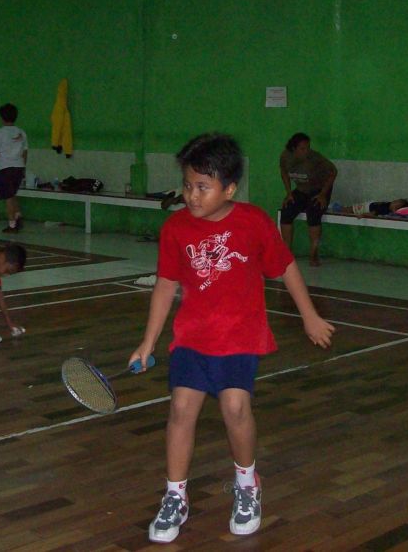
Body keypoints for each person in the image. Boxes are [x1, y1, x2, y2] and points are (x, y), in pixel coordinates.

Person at [128, 133, 334, 544]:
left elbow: (286, 268)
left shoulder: (253, 221)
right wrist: (148, 342)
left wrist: (309, 316)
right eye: (187, 185)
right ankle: (175, 496)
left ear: (229, 189)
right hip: (191, 337)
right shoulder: (175, 228)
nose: (192, 195)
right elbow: (166, 285)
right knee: (181, 410)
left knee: (236, 409)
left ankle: (246, 484)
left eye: (203, 187)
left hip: (240, 336)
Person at [279, 132, 337, 266]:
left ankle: (314, 252)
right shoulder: (286, 156)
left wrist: (323, 194)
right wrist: (289, 193)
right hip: (301, 190)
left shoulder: (315, 159)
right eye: (302, 148)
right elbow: (283, 172)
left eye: (308, 148)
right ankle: (286, 252)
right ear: (294, 149)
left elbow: (333, 172)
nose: (306, 151)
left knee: (314, 212)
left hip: (319, 190)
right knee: (287, 210)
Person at [0, 103, 28, 233]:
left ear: (2, 118)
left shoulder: (0, 133)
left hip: (5, 168)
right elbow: (25, 152)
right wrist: (23, 167)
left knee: (8, 196)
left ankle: (12, 224)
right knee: (12, 193)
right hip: (19, 167)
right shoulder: (21, 132)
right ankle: (18, 215)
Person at [330, 198, 408, 218]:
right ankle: (338, 207)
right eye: (395, 200)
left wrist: (363, 215)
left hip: (366, 208)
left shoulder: (385, 209)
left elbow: (373, 213)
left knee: (350, 210)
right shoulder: (388, 206)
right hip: (369, 205)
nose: (393, 201)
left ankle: (337, 208)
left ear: (395, 209)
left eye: (395, 203)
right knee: (350, 209)